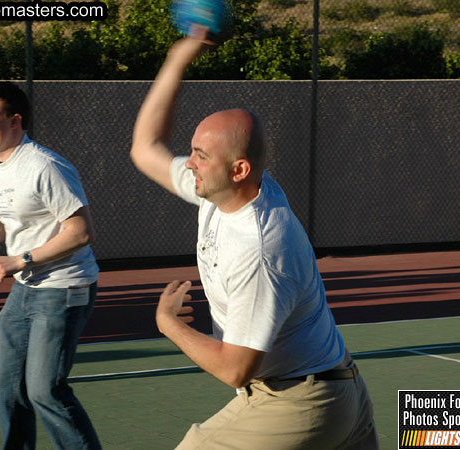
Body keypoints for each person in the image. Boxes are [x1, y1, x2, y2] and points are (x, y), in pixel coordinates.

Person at [129, 32, 379, 449]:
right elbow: (145, 148)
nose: (188, 162)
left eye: (200, 156)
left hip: (300, 402)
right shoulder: (226, 189)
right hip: (329, 389)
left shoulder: (260, 249)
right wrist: (178, 59)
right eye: (192, 151)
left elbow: (235, 369)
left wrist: (168, 324)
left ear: (239, 169)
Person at [0, 81, 101, 449]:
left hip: (65, 287)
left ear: (15, 120)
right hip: (26, 290)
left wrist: (21, 259)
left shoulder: (45, 165)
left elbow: (81, 231)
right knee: (6, 390)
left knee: (44, 391)